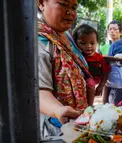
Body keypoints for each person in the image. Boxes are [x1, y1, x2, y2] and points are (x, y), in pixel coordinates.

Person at [38, 0, 94, 139]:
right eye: (63, 4)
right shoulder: (39, 42)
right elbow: (38, 91)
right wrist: (58, 110)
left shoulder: (66, 35)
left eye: (74, 7)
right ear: (41, 3)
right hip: (56, 129)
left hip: (79, 124)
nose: (70, 12)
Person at [72, 24, 110, 96]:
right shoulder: (75, 57)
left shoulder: (100, 58)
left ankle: (90, 106)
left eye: (92, 43)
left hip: (91, 86)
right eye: (83, 43)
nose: (89, 46)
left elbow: (105, 73)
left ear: (97, 43)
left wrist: (101, 86)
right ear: (75, 43)